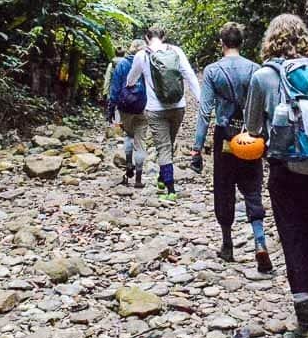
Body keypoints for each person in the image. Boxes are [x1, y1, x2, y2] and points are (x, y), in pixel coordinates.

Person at [245, 14, 308, 338]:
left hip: (285, 167)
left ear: (271, 40)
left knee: (292, 236)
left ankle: (305, 323)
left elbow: (253, 128)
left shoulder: (264, 76)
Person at [191, 22, 272, 273]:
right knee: (252, 188)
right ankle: (260, 242)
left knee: (224, 189)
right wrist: (267, 142)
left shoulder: (213, 71)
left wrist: (197, 147)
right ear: (241, 42)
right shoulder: (256, 70)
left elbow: (205, 112)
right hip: (251, 136)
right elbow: (264, 109)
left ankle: (227, 245)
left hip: (225, 137)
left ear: (222, 43)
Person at [126, 26, 201, 202]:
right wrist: (200, 101)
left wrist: (129, 86)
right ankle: (162, 178)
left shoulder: (141, 55)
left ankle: (170, 188)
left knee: (163, 147)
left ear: (146, 37)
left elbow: (132, 78)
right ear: (164, 36)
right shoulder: (176, 51)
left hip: (155, 109)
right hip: (178, 106)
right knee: (169, 143)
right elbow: (189, 75)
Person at [108, 39, 148, 187]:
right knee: (140, 142)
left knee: (129, 136)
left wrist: (111, 107)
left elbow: (115, 87)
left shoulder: (122, 64)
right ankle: (138, 179)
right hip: (143, 107)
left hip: (125, 107)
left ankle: (129, 164)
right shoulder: (147, 63)